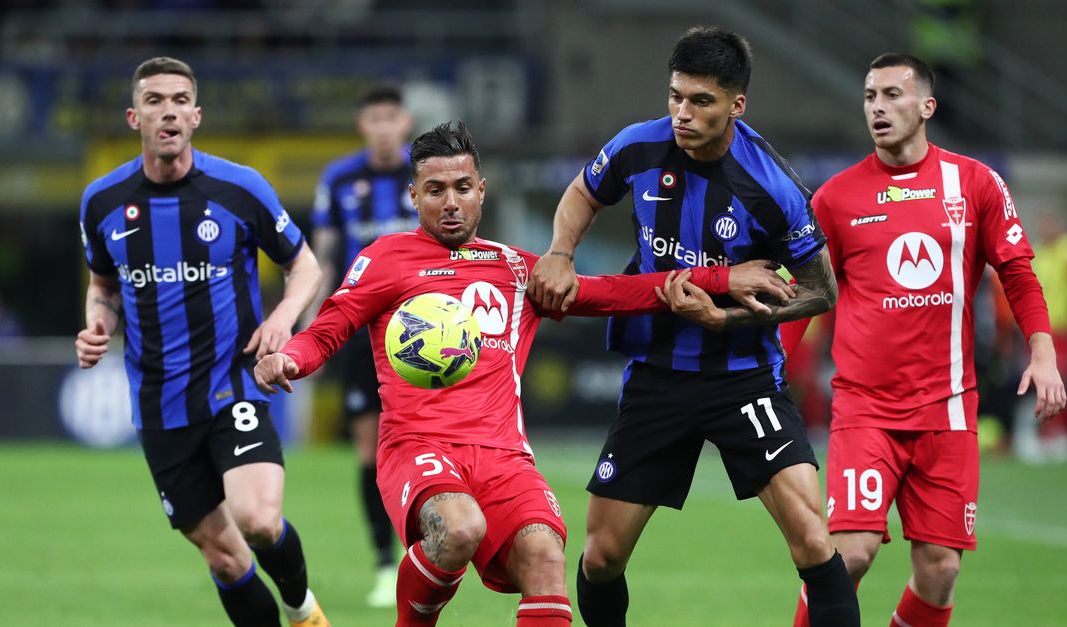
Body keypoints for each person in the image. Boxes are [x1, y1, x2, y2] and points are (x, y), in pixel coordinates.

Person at [254, 121, 794, 627]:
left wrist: (723, 277)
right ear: (413, 197)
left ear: (482, 190)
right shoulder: (386, 259)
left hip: (503, 456)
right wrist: (289, 359)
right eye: (435, 190)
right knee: (460, 528)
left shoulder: (515, 268)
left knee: (545, 556)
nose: (450, 203)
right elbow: (331, 326)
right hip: (419, 447)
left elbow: (614, 292)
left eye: (462, 187)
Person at [529, 26, 860, 627]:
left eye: (700, 101)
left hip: (745, 380)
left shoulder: (773, 188)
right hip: (658, 376)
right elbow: (582, 191)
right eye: (675, 96)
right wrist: (559, 251)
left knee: (814, 540)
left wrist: (724, 317)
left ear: (737, 105)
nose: (682, 113)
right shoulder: (637, 146)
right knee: (601, 557)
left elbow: (819, 291)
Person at [787, 53, 1066, 627]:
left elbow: (1017, 271)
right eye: (869, 97)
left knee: (940, 570)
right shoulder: (835, 199)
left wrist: (1043, 352)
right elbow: (802, 297)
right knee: (850, 555)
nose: (878, 108)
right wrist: (768, 371)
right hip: (865, 408)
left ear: (927, 107)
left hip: (949, 409)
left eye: (892, 95)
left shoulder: (975, 183)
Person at [74, 57, 329, 627]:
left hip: (231, 382)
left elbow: (305, 265)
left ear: (197, 115)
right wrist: (98, 326)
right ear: (133, 116)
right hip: (160, 404)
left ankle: (301, 608)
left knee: (259, 521)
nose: (168, 111)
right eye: (155, 100)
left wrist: (285, 316)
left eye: (179, 100)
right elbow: (103, 286)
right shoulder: (101, 201)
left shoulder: (240, 188)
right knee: (224, 557)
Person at [310, 84, 415, 607]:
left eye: (390, 117)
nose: (382, 126)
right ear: (362, 124)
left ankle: (428, 554)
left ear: (404, 121)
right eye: (373, 117)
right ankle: (382, 562)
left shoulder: (426, 173)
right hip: (359, 332)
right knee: (369, 452)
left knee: (429, 445)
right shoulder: (339, 179)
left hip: (424, 329)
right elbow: (325, 258)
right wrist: (313, 326)